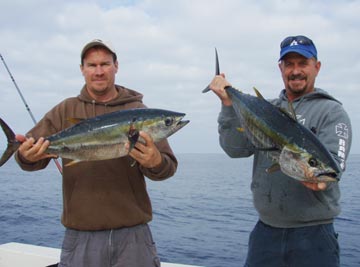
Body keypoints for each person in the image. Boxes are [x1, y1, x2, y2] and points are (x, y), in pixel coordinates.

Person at [15, 39, 178, 267]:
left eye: (105, 64)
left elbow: (167, 168)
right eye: (92, 65)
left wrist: (156, 161)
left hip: (133, 237)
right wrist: (25, 156)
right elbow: (29, 156)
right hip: (81, 236)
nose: (99, 71)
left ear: (116, 66)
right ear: (82, 69)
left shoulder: (138, 112)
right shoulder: (66, 109)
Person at [208, 35, 352, 267]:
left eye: (303, 63)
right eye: (289, 64)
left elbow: (334, 167)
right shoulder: (267, 109)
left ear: (317, 67)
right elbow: (235, 149)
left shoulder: (332, 112)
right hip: (265, 233)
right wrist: (227, 105)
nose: (296, 71)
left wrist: (323, 179)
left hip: (314, 236)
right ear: (281, 68)